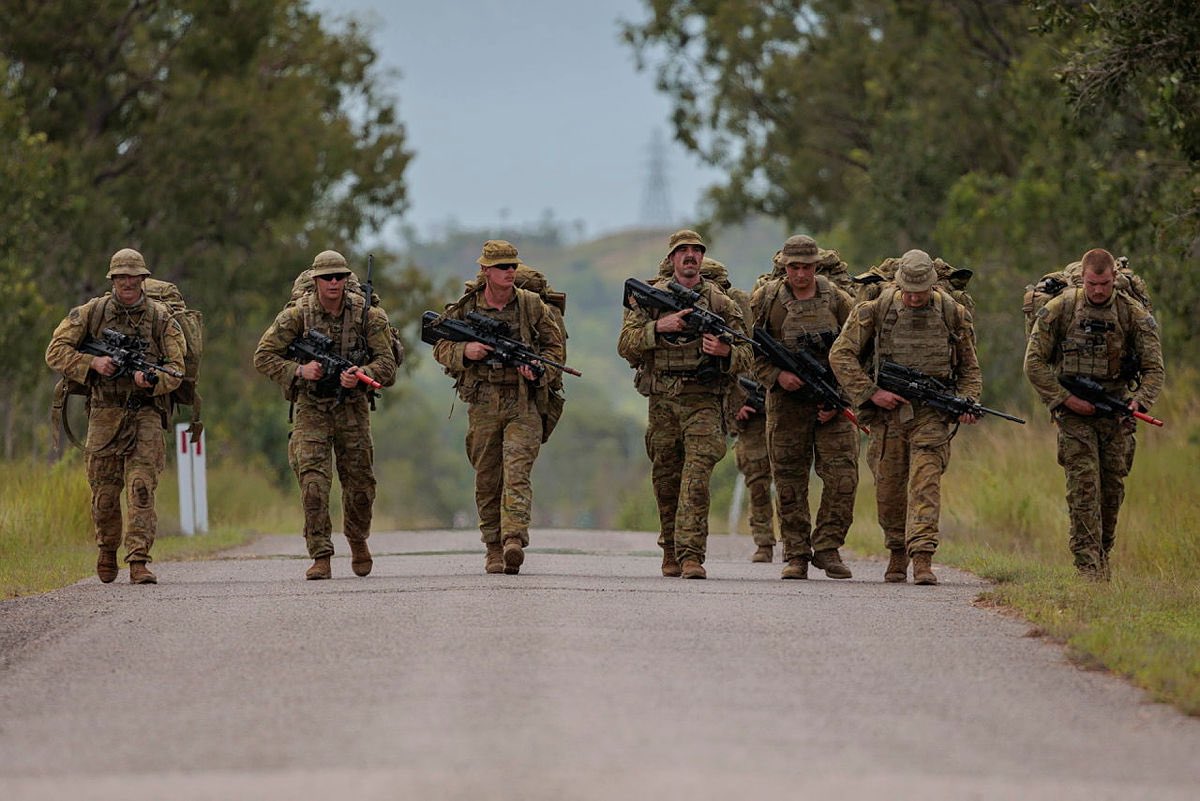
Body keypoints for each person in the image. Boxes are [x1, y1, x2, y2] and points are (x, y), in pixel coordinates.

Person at [828, 249, 982, 585]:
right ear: (898, 285)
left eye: (921, 291)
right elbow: (840, 355)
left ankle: (923, 557)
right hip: (888, 415)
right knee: (889, 488)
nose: (914, 297)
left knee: (925, 483)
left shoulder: (952, 313)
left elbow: (969, 368)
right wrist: (871, 393)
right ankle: (897, 550)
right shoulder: (875, 310)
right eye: (908, 291)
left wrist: (967, 402)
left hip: (932, 413)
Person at [253, 250, 398, 580]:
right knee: (313, 484)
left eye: (339, 277)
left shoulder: (368, 316)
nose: (334, 283)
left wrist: (361, 372)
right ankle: (320, 554)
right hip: (311, 408)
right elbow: (263, 356)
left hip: (353, 408)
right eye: (327, 277)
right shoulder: (296, 316)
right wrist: (300, 370)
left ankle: (358, 540)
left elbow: (387, 366)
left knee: (360, 486)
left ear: (347, 280)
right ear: (316, 280)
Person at [45, 248, 186, 584]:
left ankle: (138, 560)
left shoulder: (160, 317)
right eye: (121, 276)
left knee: (140, 487)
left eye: (133, 276)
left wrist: (151, 382)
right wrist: (92, 363)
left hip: (146, 413)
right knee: (105, 493)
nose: (127, 282)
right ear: (113, 280)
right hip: (104, 413)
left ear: (143, 279)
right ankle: (107, 550)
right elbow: (55, 351)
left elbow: (177, 369)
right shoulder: (91, 313)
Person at [618, 229, 753, 579]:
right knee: (666, 477)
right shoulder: (651, 299)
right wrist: (659, 327)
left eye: (696, 251)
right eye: (683, 251)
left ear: (702, 259)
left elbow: (750, 354)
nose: (690, 256)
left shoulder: (722, 303)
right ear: (673, 259)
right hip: (662, 401)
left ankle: (692, 555)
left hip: (704, 401)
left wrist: (725, 352)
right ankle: (671, 550)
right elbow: (626, 345)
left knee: (696, 477)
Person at [1023, 247, 1163, 580]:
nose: (1098, 290)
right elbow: (1034, 363)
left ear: (1114, 278)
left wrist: (1138, 401)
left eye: (1103, 283)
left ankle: (1103, 554)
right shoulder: (1062, 309)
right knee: (1084, 488)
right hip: (1073, 413)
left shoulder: (1132, 315)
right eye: (1091, 283)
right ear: (1083, 279)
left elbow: (1154, 368)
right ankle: (1088, 569)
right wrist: (1064, 399)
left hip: (1115, 413)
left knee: (1111, 490)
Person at [431, 240, 565, 575]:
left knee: (517, 471)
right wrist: (466, 352)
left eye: (512, 266)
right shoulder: (466, 307)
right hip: (483, 402)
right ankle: (492, 546)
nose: (509, 272)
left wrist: (538, 371)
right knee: (487, 477)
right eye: (502, 267)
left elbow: (555, 352)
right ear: (485, 271)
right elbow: (440, 345)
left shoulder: (532, 306)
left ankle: (513, 540)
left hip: (523, 401)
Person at [751, 235, 859, 579]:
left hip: (832, 399)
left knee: (843, 477)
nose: (800, 274)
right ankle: (796, 553)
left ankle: (827, 547)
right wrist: (777, 375)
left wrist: (839, 397)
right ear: (784, 266)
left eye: (807, 267)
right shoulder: (767, 300)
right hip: (786, 405)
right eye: (794, 267)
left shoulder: (837, 299)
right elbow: (748, 350)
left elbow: (858, 350)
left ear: (816, 266)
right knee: (789, 480)